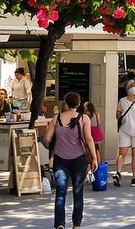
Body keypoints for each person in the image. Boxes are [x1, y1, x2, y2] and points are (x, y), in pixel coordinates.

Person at [42, 92, 98, 229]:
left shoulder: (57, 118)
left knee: (61, 193)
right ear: (78, 104)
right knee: (78, 192)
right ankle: (76, 224)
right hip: (79, 160)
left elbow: (47, 140)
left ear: (65, 103)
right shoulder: (84, 118)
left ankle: (60, 223)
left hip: (60, 160)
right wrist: (94, 158)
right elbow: (89, 140)